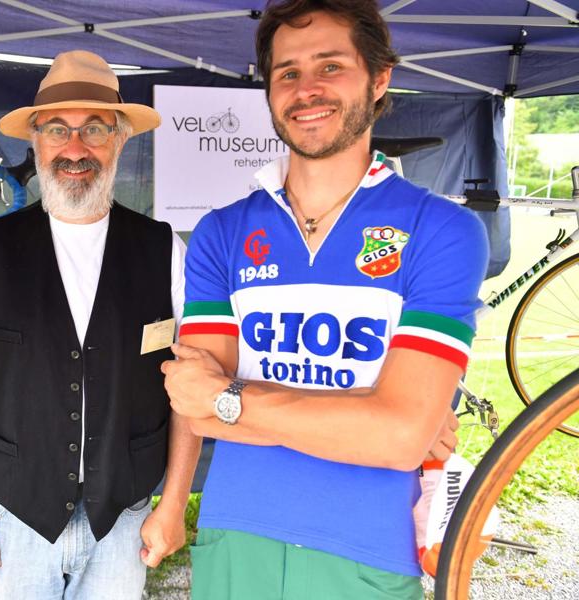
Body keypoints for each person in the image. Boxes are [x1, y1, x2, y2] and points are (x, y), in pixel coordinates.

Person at [161, 1, 489, 598]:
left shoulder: (442, 229)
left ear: (380, 77)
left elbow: (399, 438)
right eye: (287, 73)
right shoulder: (221, 232)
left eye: (331, 66)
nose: (306, 90)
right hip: (236, 534)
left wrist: (229, 397)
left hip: (370, 547)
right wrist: (365, 412)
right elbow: (194, 407)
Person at [0, 50, 201, 599]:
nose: (75, 149)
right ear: (35, 140)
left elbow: (189, 392)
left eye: (94, 129)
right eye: (58, 129)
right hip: (11, 516)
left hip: (121, 521)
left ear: (122, 137)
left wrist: (173, 504)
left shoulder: (162, 250)